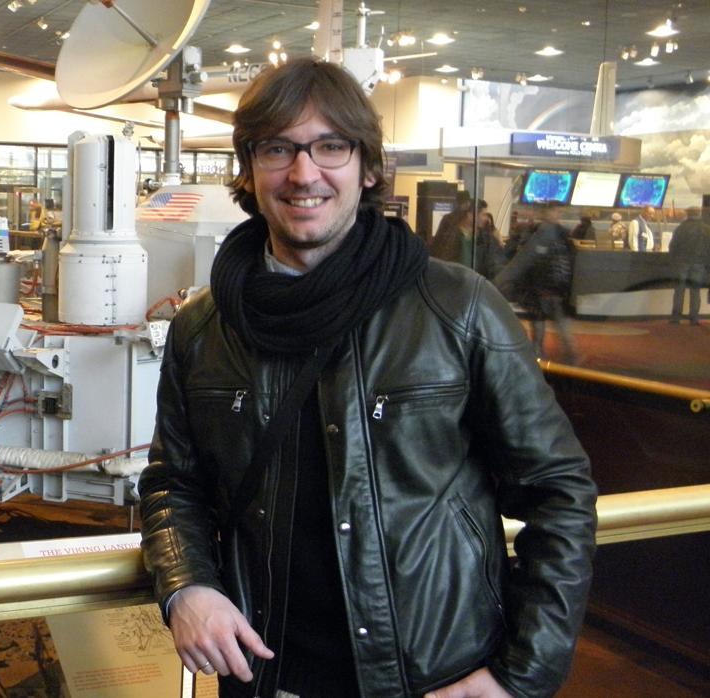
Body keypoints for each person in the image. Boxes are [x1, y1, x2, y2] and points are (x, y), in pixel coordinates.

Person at [138, 57, 596, 698]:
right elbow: (173, 484)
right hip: (263, 672)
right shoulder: (205, 326)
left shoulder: (456, 307)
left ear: (369, 166)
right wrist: (187, 585)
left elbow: (559, 492)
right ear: (249, 170)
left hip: (436, 674)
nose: (304, 174)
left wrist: (518, 677)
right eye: (278, 149)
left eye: (331, 146)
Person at [496, 204, 578, 363]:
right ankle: (561, 360)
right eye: (554, 211)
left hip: (550, 290)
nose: (556, 214)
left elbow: (522, 261)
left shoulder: (545, 235)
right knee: (551, 328)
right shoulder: (556, 236)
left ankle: (548, 358)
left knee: (551, 327)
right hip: (546, 290)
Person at [668, 207, 707, 325]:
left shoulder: (680, 228)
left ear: (687, 214)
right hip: (699, 264)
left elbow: (673, 247)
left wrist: (674, 260)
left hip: (682, 263)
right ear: (699, 214)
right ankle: (694, 318)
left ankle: (675, 318)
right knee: (695, 291)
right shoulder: (706, 229)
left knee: (679, 290)